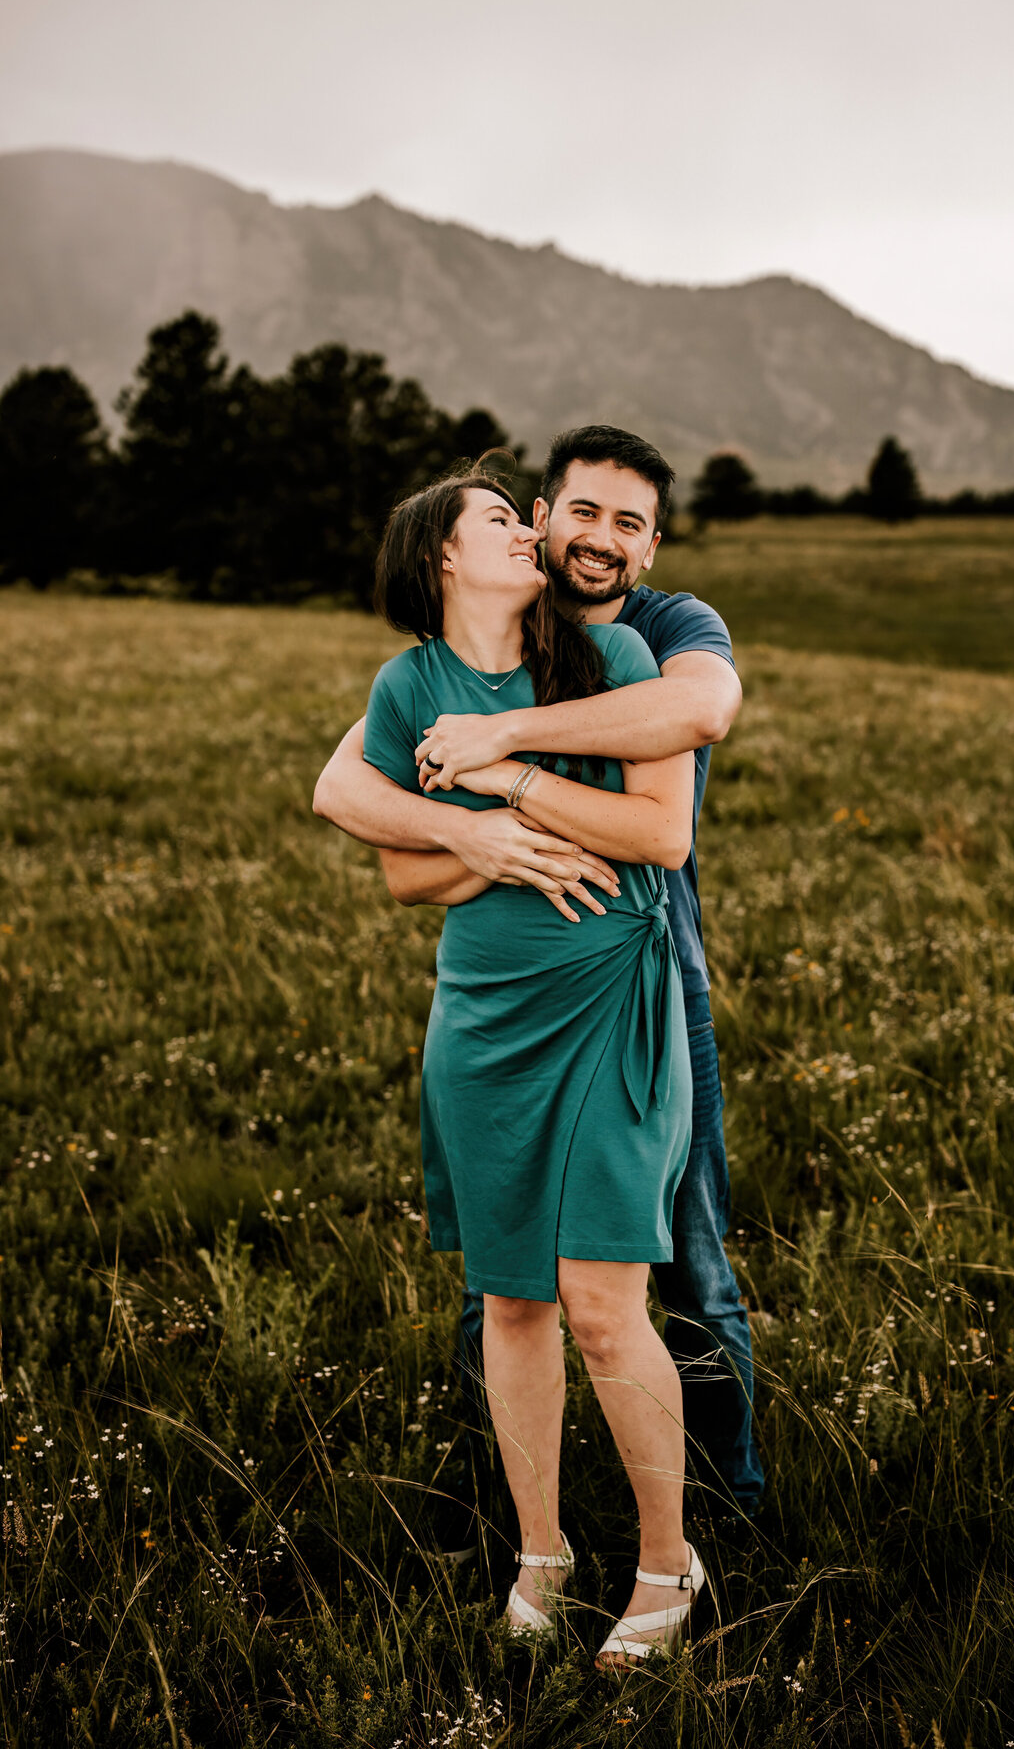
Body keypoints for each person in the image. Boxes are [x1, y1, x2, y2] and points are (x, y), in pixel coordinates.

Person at [314, 425, 765, 1529]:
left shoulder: (658, 633)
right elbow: (348, 786)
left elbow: (696, 724)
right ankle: (522, 1515)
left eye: (629, 523)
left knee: (682, 1262)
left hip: (644, 968)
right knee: (506, 1285)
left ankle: (719, 1509)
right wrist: (466, 841)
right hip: (495, 993)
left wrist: (503, 758)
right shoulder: (444, 665)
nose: (594, 538)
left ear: (652, 548)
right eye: (570, 513)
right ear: (548, 518)